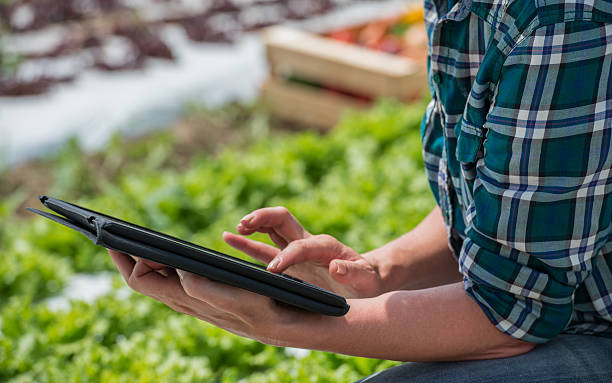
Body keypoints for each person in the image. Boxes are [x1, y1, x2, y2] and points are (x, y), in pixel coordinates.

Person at [108, 0, 612, 381]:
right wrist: (373, 275)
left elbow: (508, 317)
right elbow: (507, 201)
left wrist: (288, 324)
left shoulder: (562, 22)